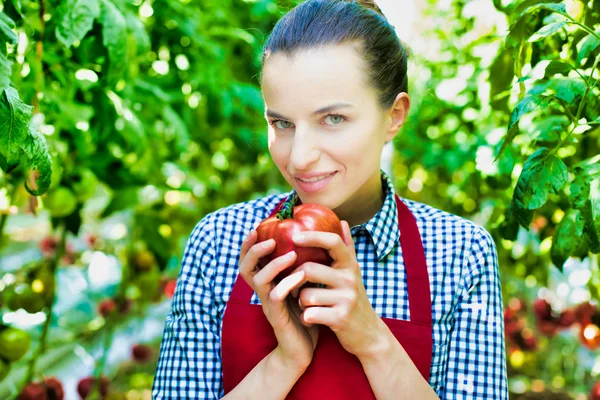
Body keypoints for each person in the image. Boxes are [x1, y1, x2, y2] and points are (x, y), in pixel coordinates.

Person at [152, 0, 508, 398]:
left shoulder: (459, 254)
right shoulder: (219, 242)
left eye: (332, 119)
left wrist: (374, 341)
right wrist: (287, 360)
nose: (300, 156)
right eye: (281, 123)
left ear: (394, 115)